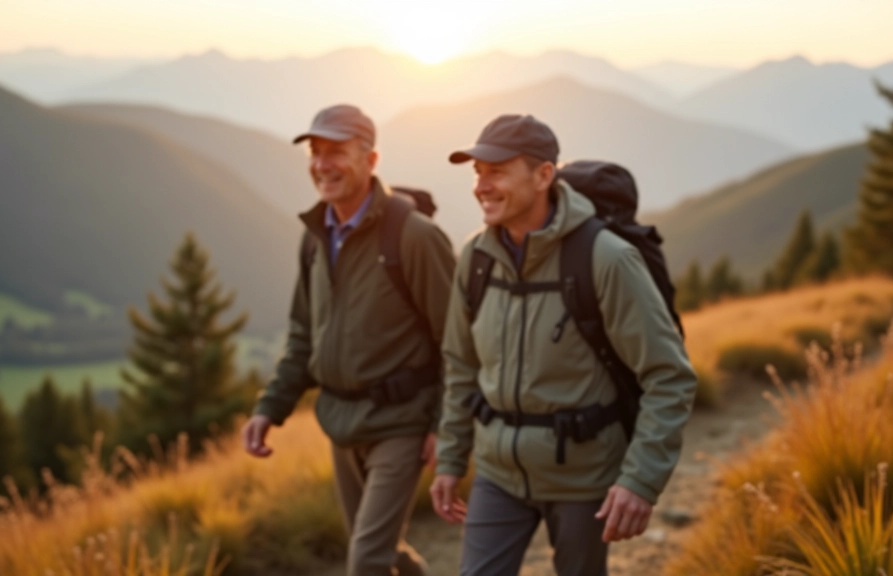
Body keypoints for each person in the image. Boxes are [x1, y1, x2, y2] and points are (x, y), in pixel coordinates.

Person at [430, 114, 697, 575]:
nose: (481, 185)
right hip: (497, 473)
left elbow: (669, 376)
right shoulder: (475, 259)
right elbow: (460, 365)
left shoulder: (607, 259)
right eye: (477, 172)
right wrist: (452, 457)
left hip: (584, 476)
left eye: (497, 171)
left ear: (543, 176)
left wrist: (640, 481)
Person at [242, 104, 456, 576]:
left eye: (336, 151)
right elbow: (303, 334)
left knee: (365, 561)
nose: (322, 164)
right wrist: (268, 409)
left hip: (401, 422)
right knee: (377, 547)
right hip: (340, 424)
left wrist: (445, 426)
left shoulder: (415, 237)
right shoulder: (316, 237)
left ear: (371, 159)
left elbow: (457, 343)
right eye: (315, 152)